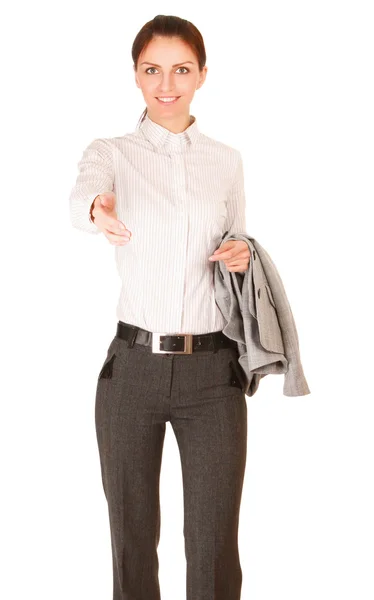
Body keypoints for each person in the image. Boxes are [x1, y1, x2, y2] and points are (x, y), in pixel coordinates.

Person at [69, 14, 251, 600]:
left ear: (201, 74)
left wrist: (241, 253)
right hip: (133, 371)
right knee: (131, 539)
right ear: (136, 75)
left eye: (180, 69)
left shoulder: (226, 161)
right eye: (152, 69)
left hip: (212, 375)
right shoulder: (112, 152)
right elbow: (85, 192)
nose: (166, 83)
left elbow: (237, 247)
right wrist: (98, 208)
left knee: (213, 544)